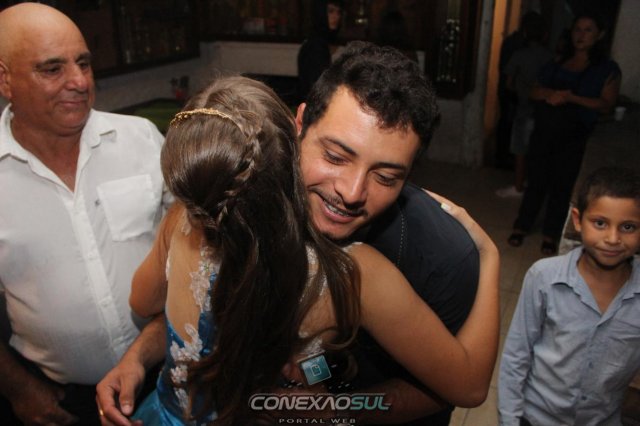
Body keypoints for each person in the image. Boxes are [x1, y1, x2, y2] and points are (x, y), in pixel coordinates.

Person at [97, 42, 494, 426]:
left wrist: (332, 403)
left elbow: (330, 361)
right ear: (297, 124)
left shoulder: (193, 216)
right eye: (335, 157)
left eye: (386, 177)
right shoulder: (354, 273)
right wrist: (136, 357)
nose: (353, 192)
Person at [0, 3, 170, 425]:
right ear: (5, 80)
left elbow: (197, 255)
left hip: (167, 376)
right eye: (52, 68)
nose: (78, 82)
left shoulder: (142, 140)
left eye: (83, 63)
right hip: (59, 401)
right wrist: (19, 389)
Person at [499, 166, 640, 426]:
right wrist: (510, 420)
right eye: (600, 223)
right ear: (577, 220)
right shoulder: (544, 277)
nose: (613, 238)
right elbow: (517, 355)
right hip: (536, 417)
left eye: (628, 227)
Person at [507, 13, 621, 255]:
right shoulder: (557, 61)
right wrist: (550, 94)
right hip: (544, 131)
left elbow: (606, 104)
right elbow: (533, 90)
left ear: (599, 35)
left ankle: (551, 233)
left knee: (562, 184)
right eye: (578, 29)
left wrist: (571, 98)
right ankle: (522, 225)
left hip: (574, 136)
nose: (581, 35)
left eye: (588, 30)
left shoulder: (606, 69)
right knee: (536, 180)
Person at [496, 12, 552, 198]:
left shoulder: (519, 55)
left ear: (525, 32)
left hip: (524, 108)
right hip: (546, 110)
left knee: (520, 150)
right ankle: (532, 184)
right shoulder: (550, 57)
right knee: (539, 151)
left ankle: (519, 186)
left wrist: (522, 90)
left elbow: (508, 83)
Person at [297, 0, 343, 103]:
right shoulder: (316, 45)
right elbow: (318, 89)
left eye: (338, 12)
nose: (336, 16)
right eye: (331, 11)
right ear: (320, 13)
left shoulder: (319, 41)